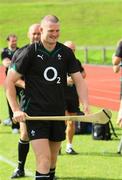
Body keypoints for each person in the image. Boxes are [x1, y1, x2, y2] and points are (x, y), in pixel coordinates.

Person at [5, 15, 89, 180]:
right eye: (51, 31)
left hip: (57, 114)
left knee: (52, 162)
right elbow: (9, 82)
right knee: (43, 160)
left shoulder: (65, 53)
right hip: (36, 114)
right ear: (41, 30)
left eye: (58, 31)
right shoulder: (30, 52)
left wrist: (85, 105)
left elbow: (79, 80)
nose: (55, 34)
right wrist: (15, 110)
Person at [11, 23, 41, 178]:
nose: (36, 36)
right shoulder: (21, 53)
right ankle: (20, 168)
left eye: (39, 33)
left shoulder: (48, 53)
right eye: (34, 33)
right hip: (27, 101)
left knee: (45, 137)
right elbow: (11, 79)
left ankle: (45, 171)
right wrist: (27, 85)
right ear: (29, 35)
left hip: (47, 102)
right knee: (25, 134)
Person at [64, 41, 86, 155]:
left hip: (72, 96)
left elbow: (83, 73)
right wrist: (65, 80)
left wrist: (77, 78)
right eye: (69, 49)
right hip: (59, 95)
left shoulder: (76, 61)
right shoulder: (57, 61)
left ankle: (69, 146)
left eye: (73, 50)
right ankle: (56, 145)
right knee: (59, 121)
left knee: (71, 122)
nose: (71, 52)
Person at [1, 34, 20, 133]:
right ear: (8, 41)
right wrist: (17, 63)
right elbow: (5, 63)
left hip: (20, 81)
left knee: (21, 102)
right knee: (11, 103)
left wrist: (12, 62)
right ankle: (14, 126)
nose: (14, 43)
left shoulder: (19, 50)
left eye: (15, 41)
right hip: (10, 81)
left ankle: (21, 124)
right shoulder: (5, 51)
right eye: (12, 41)